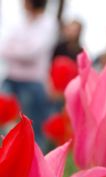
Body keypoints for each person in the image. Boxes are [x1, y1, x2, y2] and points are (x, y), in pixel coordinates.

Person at [0, 0, 63, 149]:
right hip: (10, 79)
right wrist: (19, 50)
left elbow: (31, 52)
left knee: (32, 131)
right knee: (4, 129)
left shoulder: (48, 24)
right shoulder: (20, 22)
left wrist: (14, 50)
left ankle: (35, 167)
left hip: (32, 83)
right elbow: (3, 47)